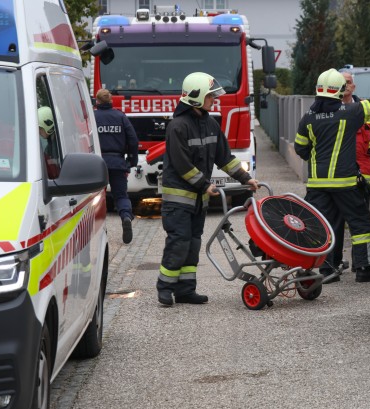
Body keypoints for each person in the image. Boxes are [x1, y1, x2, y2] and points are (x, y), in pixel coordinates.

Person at [294, 68, 370, 283]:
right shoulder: (349, 113)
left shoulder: (307, 118)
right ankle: (364, 269)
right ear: (339, 91)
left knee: (324, 225)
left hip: (318, 185)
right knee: (360, 225)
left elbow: (301, 149)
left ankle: (327, 270)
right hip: (346, 184)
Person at [156, 72, 259, 307]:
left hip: (198, 201)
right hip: (178, 201)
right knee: (179, 242)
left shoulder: (210, 123)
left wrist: (245, 177)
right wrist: (204, 184)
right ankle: (165, 287)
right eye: (210, 96)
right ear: (196, 97)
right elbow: (182, 165)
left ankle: (185, 290)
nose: (214, 99)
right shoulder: (177, 126)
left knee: (193, 245)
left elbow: (225, 158)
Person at [340, 71, 370, 277]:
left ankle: (360, 266)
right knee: (339, 222)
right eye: (342, 83)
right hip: (341, 175)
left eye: (348, 83)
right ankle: (334, 265)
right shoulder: (334, 109)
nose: (346, 86)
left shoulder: (363, 109)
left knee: (360, 224)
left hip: (363, 175)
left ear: (354, 86)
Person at [93, 88, 139, 245]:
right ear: (111, 101)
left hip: (97, 164)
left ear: (97, 102)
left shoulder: (92, 117)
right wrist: (131, 161)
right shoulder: (120, 117)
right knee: (121, 196)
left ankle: (98, 230)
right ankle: (126, 216)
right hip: (118, 162)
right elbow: (133, 140)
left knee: (97, 198)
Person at [38, 106, 61, 179]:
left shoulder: (58, 146)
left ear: (48, 125)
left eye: (40, 128)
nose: (38, 131)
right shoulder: (49, 145)